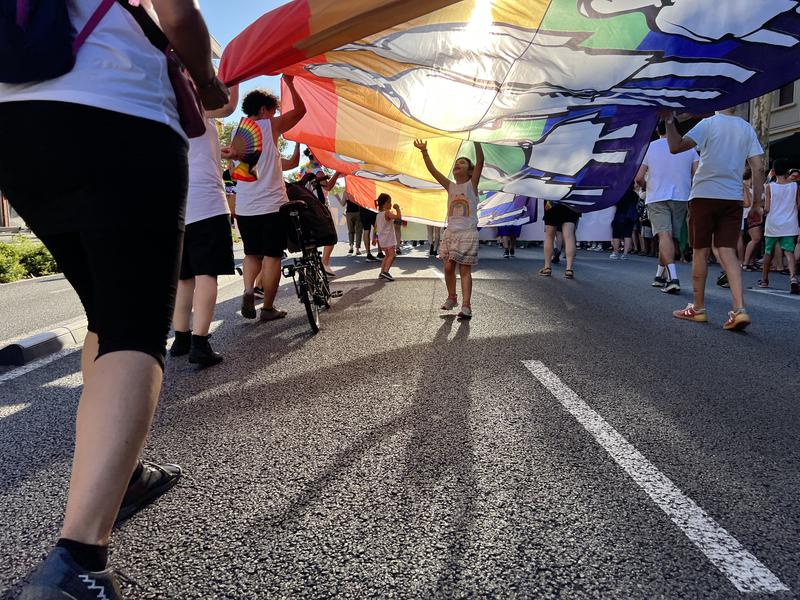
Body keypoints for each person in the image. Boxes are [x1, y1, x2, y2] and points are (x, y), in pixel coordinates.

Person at [0, 1, 228, 597]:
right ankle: (78, 557)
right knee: (134, 326)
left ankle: (119, 476)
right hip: (117, 104)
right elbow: (177, 14)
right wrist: (206, 82)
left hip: (15, 126)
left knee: (105, 311)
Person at [663, 107, 765, 330]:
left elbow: (675, 147)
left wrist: (670, 121)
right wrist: (757, 203)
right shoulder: (746, 128)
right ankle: (739, 309)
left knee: (701, 251)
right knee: (728, 251)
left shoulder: (708, 124)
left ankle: (698, 308)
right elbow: (758, 168)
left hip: (704, 195)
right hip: (732, 198)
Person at [225, 80, 306, 322]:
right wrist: (291, 83)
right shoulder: (269, 125)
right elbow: (301, 111)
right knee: (272, 256)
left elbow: (232, 169)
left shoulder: (237, 133)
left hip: (246, 206)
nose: (275, 114)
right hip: (273, 205)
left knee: (252, 254)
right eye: (273, 109)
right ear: (263, 110)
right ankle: (268, 308)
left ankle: (249, 290)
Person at [170, 88, 239, 367]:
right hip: (208, 205)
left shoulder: (167, 111)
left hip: (179, 208)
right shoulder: (193, 105)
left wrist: (220, 153)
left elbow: (196, 154)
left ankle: (182, 339)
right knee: (206, 274)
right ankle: (201, 343)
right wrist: (235, 78)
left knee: (184, 277)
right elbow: (229, 106)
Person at [415, 139, 484, 320]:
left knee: (464, 270)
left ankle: (466, 305)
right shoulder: (451, 186)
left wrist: (477, 140)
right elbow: (433, 171)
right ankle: (452, 297)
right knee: (447, 267)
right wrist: (424, 152)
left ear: (470, 171)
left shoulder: (472, 185)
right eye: (456, 163)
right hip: (451, 233)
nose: (457, 164)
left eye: (462, 162)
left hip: (467, 233)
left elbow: (481, 162)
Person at [636, 120, 699, 293]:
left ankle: (673, 278)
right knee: (669, 238)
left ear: (657, 129)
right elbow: (698, 174)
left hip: (657, 196)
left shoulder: (650, 147)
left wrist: (645, 186)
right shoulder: (689, 148)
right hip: (681, 196)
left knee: (664, 236)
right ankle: (659, 275)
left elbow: (639, 177)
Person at [758, 159, 800, 293]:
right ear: (787, 171)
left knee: (768, 252)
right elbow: (798, 205)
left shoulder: (770, 187)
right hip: (789, 222)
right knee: (789, 252)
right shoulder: (795, 186)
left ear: (774, 171)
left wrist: (762, 210)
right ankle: (793, 279)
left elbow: (767, 207)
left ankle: (764, 280)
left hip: (773, 223)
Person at [539, 202, 579, 279]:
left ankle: (547, 267)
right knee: (569, 236)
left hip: (552, 203)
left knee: (549, 237)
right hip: (570, 203)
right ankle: (569, 269)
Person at [375, 193, 401, 281]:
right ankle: (386, 272)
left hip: (382, 240)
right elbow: (398, 217)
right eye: (388, 202)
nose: (390, 204)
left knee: (387, 256)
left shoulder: (378, 215)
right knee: (392, 255)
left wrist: (375, 238)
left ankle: (382, 272)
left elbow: (375, 227)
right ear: (383, 204)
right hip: (389, 239)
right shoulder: (387, 213)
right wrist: (398, 209)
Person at [610, 184, 639, 260]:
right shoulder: (635, 194)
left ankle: (616, 253)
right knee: (628, 235)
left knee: (616, 234)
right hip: (630, 216)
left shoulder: (619, 193)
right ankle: (625, 254)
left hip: (620, 215)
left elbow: (614, 203)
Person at [344, 190, 363, 255]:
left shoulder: (346, 192)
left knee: (350, 231)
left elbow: (343, 204)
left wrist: (337, 197)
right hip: (358, 212)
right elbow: (361, 202)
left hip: (349, 213)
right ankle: (357, 249)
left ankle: (351, 247)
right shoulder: (357, 190)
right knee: (359, 231)